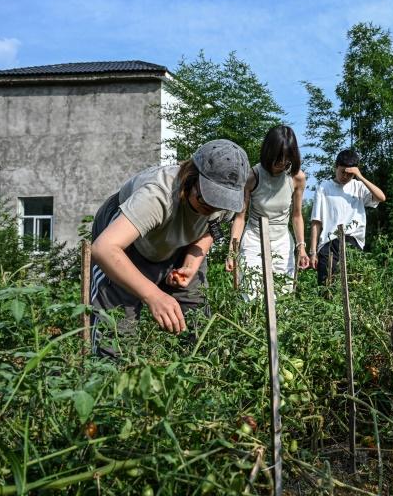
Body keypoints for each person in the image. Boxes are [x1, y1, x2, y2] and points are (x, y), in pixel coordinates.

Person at [90, 139, 250, 358]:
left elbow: (209, 229)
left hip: (178, 245)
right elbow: (104, 248)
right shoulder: (157, 195)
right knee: (116, 333)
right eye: (206, 201)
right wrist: (153, 294)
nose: (212, 209)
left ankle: (195, 372)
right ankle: (111, 374)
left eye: (218, 204)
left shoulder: (226, 200)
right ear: (191, 178)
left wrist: (190, 264)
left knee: (198, 326)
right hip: (128, 245)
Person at [226, 125, 310, 298]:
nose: (282, 164)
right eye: (278, 159)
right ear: (268, 153)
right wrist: (232, 251)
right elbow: (240, 218)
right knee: (251, 294)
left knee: (283, 295)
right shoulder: (252, 177)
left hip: (282, 241)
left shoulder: (297, 178)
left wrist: (301, 247)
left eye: (286, 159)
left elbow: (296, 216)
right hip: (254, 239)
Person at [309, 149, 386, 285]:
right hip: (328, 242)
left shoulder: (358, 187)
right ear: (336, 167)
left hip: (353, 241)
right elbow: (316, 221)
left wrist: (360, 176)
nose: (345, 176)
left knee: (352, 286)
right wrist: (313, 251)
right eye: (342, 172)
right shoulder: (324, 188)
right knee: (326, 286)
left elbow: (381, 197)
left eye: (349, 174)